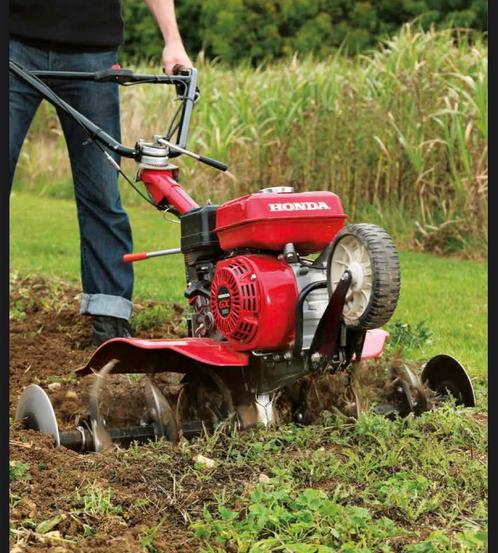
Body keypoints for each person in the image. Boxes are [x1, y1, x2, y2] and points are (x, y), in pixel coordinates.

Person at [9, 0, 192, 345]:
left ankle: (110, 319)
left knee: (102, 191)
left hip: (92, 54)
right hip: (14, 46)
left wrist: (173, 40)